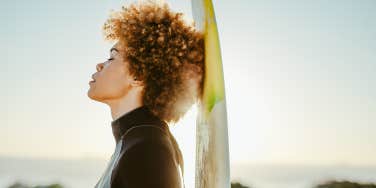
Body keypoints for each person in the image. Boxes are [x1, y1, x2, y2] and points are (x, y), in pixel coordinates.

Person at [87, 1, 204, 187]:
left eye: (112, 57)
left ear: (138, 76)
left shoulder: (147, 149)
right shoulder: (138, 141)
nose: (100, 65)